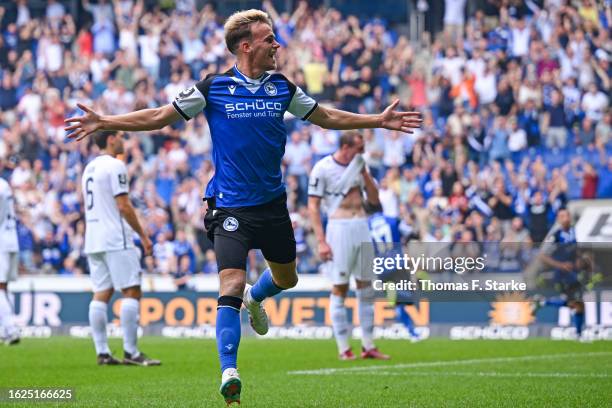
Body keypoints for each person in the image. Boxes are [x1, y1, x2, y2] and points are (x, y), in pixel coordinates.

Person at [65, 9, 421, 404]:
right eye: (269, 39)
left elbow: (326, 116)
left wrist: (376, 121)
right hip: (229, 207)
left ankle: (257, 297)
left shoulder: (282, 87)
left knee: (287, 279)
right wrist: (106, 121)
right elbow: (159, 116)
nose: (277, 45)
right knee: (230, 283)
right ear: (246, 45)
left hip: (272, 205)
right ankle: (229, 371)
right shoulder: (213, 87)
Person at [308, 131, 390, 360]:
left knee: (366, 287)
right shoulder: (322, 168)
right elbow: (313, 206)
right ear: (346, 147)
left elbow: (374, 201)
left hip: (362, 224)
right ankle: (344, 348)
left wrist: (364, 173)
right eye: (359, 147)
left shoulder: (360, 165)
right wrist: (322, 241)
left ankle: (368, 345)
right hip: (339, 227)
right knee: (340, 286)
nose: (363, 151)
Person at [82, 131, 160, 366]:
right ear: (110, 140)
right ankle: (131, 352)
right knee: (132, 290)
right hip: (116, 237)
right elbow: (124, 205)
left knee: (101, 293)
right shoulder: (115, 166)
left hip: (93, 237)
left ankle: (103, 352)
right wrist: (143, 236)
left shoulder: (89, 168)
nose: (123, 141)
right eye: (120, 136)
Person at [531, 209, 587, 341]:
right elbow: (542, 255)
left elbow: (574, 249)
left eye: (567, 215)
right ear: (558, 219)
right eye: (562, 216)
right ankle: (579, 335)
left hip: (572, 273)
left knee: (577, 304)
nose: (566, 218)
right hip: (562, 274)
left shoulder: (573, 230)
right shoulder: (555, 235)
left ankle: (543, 302)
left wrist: (579, 260)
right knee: (576, 303)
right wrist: (560, 265)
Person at [0, 175, 20, 345]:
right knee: (4, 286)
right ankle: (5, 330)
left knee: (0, 288)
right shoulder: (4, 184)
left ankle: (11, 329)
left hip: (1, 242)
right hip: (12, 238)